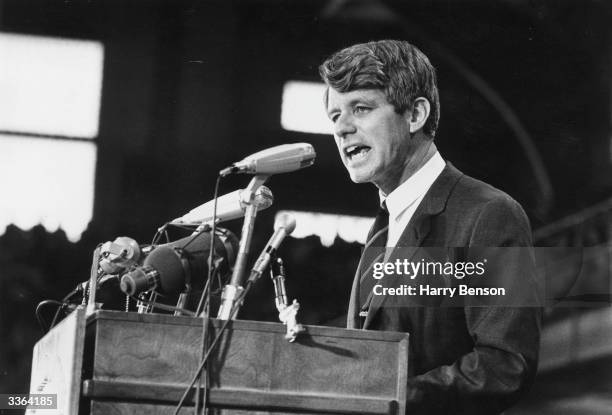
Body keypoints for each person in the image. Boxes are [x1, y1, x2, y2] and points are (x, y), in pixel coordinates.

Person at [319, 40, 541, 414]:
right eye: (334, 115)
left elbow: (504, 366)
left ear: (415, 114)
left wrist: (388, 401)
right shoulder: (381, 230)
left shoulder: (489, 214)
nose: (342, 128)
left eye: (360, 108)